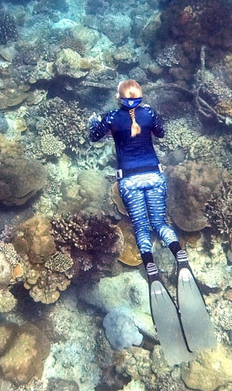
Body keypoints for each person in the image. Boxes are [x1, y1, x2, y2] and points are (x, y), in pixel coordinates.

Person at [89, 79, 216, 363]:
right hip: (154, 176)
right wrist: (148, 115)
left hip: (130, 181)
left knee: (142, 228)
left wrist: (94, 120)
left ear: (119, 98)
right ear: (141, 97)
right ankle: (179, 256)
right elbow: (160, 132)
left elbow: (94, 136)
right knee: (161, 223)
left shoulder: (112, 117)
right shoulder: (148, 114)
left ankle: (151, 269)